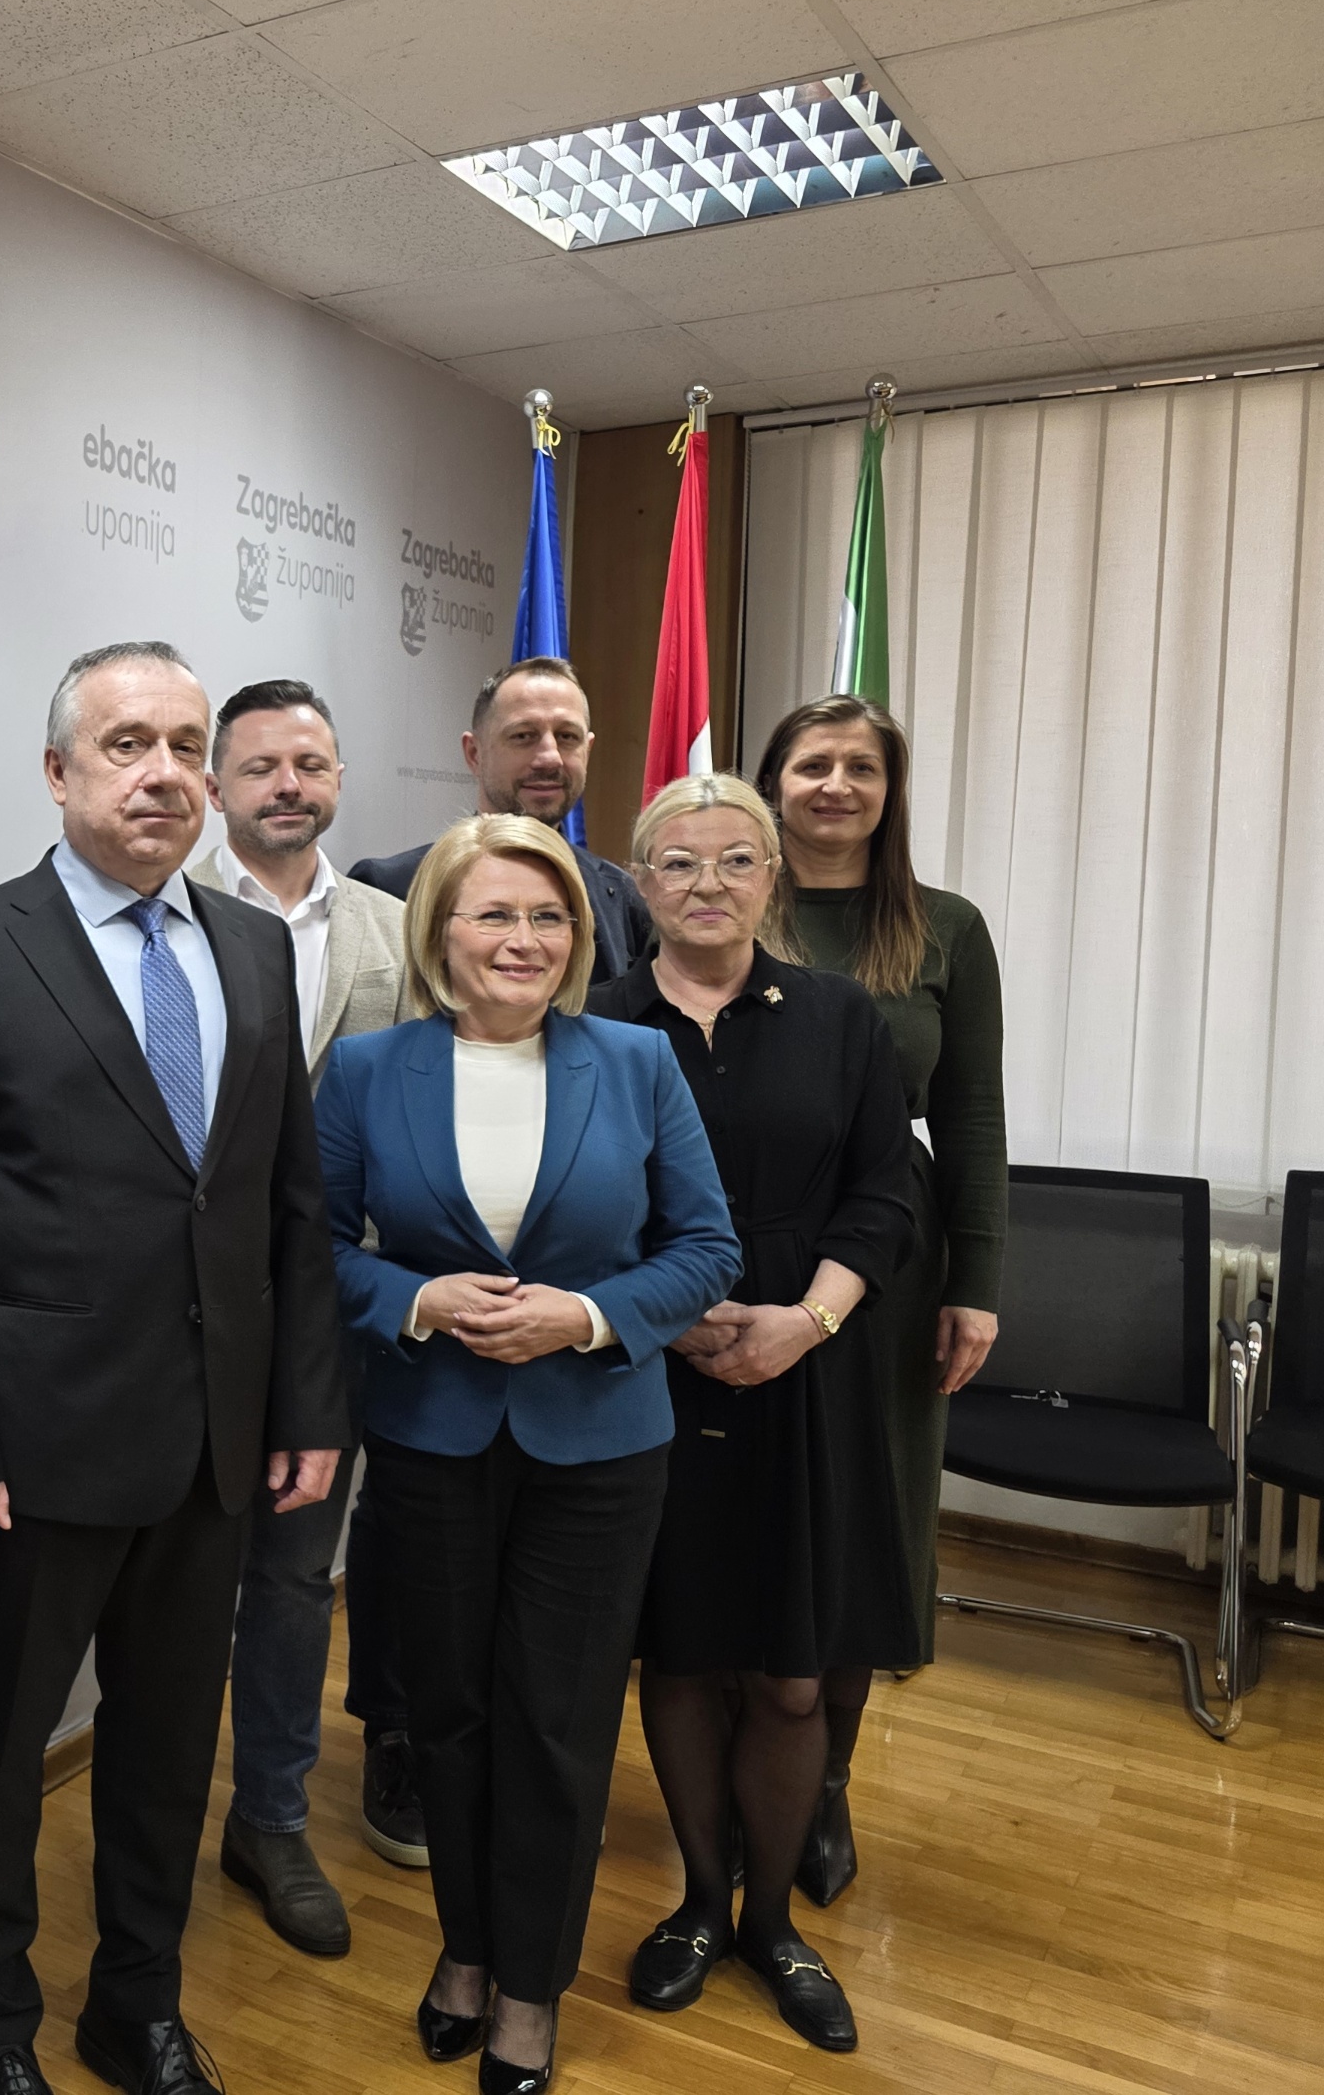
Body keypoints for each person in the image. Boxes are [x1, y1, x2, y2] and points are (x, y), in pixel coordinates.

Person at [0, 641, 346, 2095]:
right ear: (57, 770)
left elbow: (288, 1203)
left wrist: (308, 1401)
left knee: (167, 1746)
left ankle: (135, 2005)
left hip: (215, 1442)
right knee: (5, 1750)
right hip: (34, 1449)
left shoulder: (253, 947)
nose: (163, 774)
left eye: (186, 746)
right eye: (126, 743)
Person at [315, 815, 736, 2095]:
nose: (524, 939)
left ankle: (530, 1992)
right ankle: (464, 1949)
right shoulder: (368, 1071)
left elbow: (707, 1250)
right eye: (494, 914)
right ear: (440, 930)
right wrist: (416, 1300)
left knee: (557, 1725)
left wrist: (589, 1315)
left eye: (549, 917)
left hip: (599, 1446)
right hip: (432, 1437)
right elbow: (313, 1248)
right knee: (446, 1715)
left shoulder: (638, 1060)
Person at [591, 774, 922, 2053]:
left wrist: (807, 1321)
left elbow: (885, 1193)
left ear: (773, 880)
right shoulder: (597, 1020)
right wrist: (664, 1314)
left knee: (790, 1675)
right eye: (679, 864)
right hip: (648, 1370)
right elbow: (569, 1201)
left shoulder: (842, 1018)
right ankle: (695, 1902)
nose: (709, 885)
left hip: (809, 1365)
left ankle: (773, 1923)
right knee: (680, 1656)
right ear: (641, 885)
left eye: (737, 860)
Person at [754, 696, 1005, 1906]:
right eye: (814, 763)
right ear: (774, 780)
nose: (837, 785)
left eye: (863, 766)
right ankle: (746, 1767)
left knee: (867, 1514)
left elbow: (973, 1117)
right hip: (745, 1244)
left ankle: (825, 1784)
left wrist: (980, 1284)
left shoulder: (944, 927)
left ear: (890, 791)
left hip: (894, 1261)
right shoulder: (733, 898)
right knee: (750, 1512)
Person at [187, 679, 406, 1956]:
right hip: (177, 1320)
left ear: (336, 782)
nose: (288, 785)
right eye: (261, 765)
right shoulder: (155, 908)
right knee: (165, 1581)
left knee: (289, 1581)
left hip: (335, 1322)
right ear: (216, 784)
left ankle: (268, 1818)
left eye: (310, 765)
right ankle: (154, 1810)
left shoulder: (397, 932)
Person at [348, 657, 651, 988]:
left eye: (567, 736)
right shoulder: (388, 890)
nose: (550, 757)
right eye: (523, 736)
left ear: (587, 750)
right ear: (474, 754)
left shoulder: (624, 898)